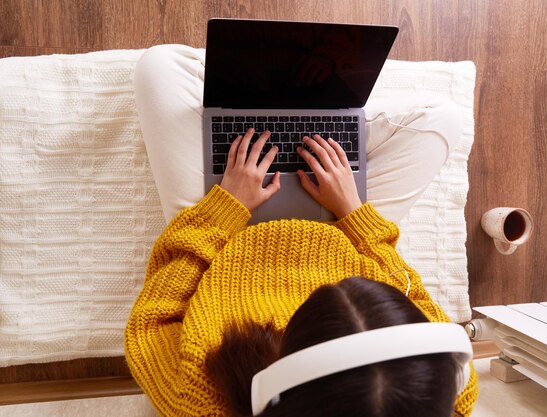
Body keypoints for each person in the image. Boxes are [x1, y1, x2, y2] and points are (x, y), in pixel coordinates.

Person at [124, 45, 477, 417]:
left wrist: (224, 206)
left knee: (159, 66)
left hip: (226, 235)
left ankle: (277, 104)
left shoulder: (201, 398)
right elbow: (412, 294)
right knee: (443, 119)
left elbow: (153, 319)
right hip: (341, 226)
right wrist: (354, 212)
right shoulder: (447, 386)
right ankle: (313, 114)